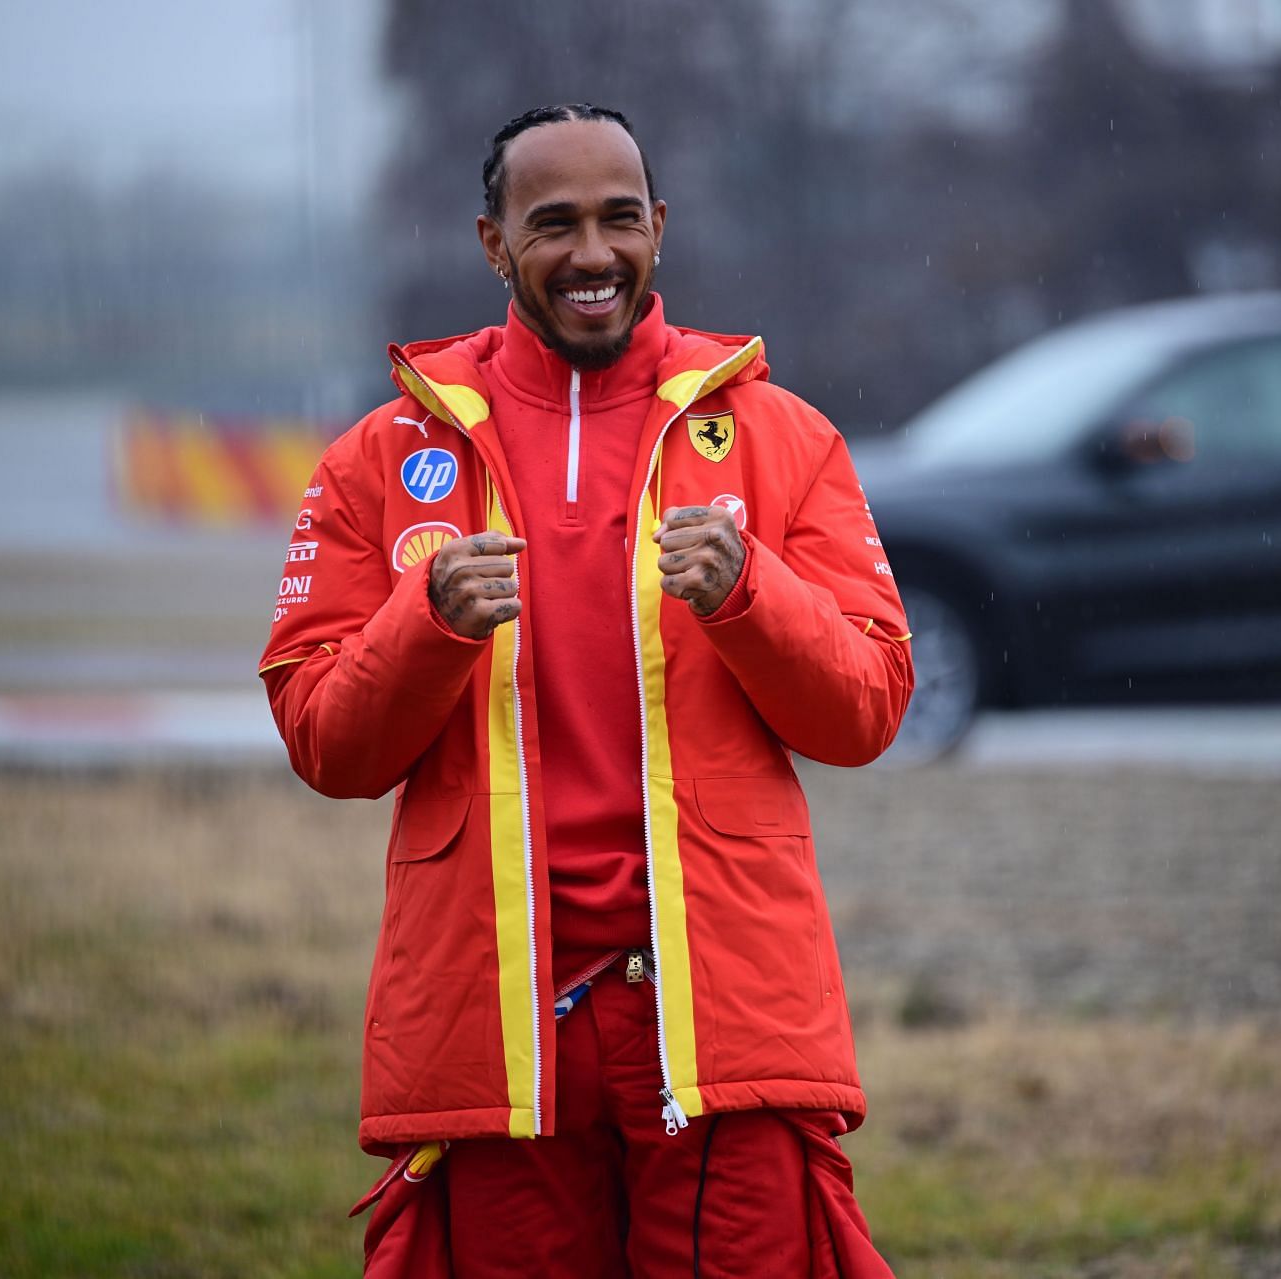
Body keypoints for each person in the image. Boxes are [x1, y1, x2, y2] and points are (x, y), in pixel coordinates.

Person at [257, 103, 912, 1277]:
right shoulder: (379, 458)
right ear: (492, 243)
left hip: (727, 1017)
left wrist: (750, 593)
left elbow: (868, 710)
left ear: (660, 227)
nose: (594, 254)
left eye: (620, 219)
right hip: (494, 1017)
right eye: (552, 223)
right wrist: (428, 623)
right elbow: (326, 746)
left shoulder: (783, 436)